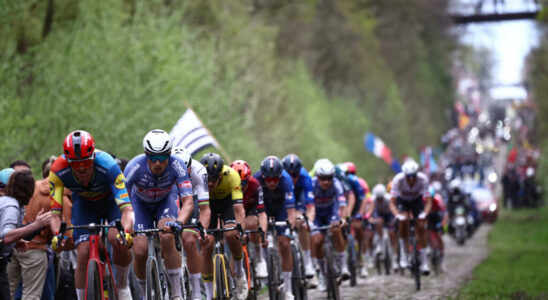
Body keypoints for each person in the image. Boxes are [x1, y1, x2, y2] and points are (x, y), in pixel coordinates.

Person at [49, 130, 134, 300]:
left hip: (111, 201)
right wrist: (58, 235)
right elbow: (55, 215)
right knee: (83, 252)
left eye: (86, 163)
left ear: (93, 158)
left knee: (116, 238)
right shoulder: (57, 170)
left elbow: (127, 210)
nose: (81, 167)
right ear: (68, 162)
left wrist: (125, 231)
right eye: (75, 163)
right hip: (85, 205)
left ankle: (123, 286)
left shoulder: (108, 165)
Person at [124, 130, 194, 300]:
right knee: (140, 251)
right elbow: (122, 202)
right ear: (145, 154)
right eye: (152, 157)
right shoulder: (134, 166)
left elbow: (188, 201)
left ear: (169, 155)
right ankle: (145, 293)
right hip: (140, 204)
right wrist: (126, 225)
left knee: (167, 236)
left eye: (162, 158)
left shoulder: (177, 165)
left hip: (165, 201)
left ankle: (176, 293)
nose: (157, 162)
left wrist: (179, 222)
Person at [7, 157, 74, 300]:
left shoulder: (33, 187)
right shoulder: (62, 199)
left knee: (9, 292)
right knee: (32, 295)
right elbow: (66, 235)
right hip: (37, 250)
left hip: (13, 246)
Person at [200, 153, 248, 300]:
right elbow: (202, 209)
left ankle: (239, 273)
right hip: (208, 205)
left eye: (214, 179)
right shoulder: (198, 177)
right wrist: (202, 231)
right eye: (208, 179)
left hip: (227, 203)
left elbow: (239, 209)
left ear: (221, 174)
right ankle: (209, 294)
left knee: (231, 234)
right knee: (207, 243)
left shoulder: (232, 175)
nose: (210, 184)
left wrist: (241, 230)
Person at [1, 170, 52, 300]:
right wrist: (36, 225)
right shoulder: (11, 206)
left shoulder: (6, 202)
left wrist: (15, 241)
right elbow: (6, 236)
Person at [253, 156, 297, 300]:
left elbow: (291, 212)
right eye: (268, 179)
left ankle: (289, 288)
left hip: (281, 208)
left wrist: (290, 229)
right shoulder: (256, 180)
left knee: (284, 243)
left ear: (280, 177)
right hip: (263, 207)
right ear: (263, 176)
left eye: (275, 179)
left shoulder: (286, 180)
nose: (271, 182)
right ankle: (261, 261)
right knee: (259, 232)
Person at [172, 146, 211, 300]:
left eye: (185, 171)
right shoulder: (163, 170)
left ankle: (196, 292)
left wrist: (203, 231)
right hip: (171, 196)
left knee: (189, 240)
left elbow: (205, 208)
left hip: (192, 198)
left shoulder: (199, 171)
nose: (182, 175)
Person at [309, 159, 349, 292]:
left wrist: (343, 218)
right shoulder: (311, 184)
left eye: (329, 178)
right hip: (316, 214)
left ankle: (343, 266)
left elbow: (342, 204)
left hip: (331, 211)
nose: (326, 182)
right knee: (317, 240)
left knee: (336, 229)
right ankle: (322, 273)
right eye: (323, 178)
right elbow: (306, 206)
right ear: (317, 177)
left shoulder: (337, 184)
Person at [389, 159, 432, 275]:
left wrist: (425, 213)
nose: (412, 179)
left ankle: (424, 263)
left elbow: (428, 201)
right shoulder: (398, 180)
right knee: (403, 221)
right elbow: (392, 202)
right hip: (402, 201)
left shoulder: (423, 179)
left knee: (421, 226)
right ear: (405, 175)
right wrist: (397, 215)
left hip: (417, 201)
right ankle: (403, 254)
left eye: (414, 176)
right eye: (409, 176)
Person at [281, 154, 317, 285]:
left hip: (299, 198)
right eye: (289, 175)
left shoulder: (305, 177)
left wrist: (310, 221)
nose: (292, 178)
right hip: (284, 198)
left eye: (295, 175)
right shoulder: (280, 178)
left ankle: (308, 263)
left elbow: (310, 206)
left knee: (302, 222)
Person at [230, 160, 268, 279]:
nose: (241, 186)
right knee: (235, 243)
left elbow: (262, 214)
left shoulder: (255, 185)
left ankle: (259, 257)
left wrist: (263, 236)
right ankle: (233, 282)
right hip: (234, 211)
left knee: (252, 224)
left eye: (244, 182)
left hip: (250, 210)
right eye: (237, 183)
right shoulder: (228, 186)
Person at [364, 184, 398, 270]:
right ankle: (379, 243)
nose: (379, 200)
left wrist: (396, 216)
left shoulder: (388, 198)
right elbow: (371, 209)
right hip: (378, 214)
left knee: (392, 232)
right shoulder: (373, 199)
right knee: (378, 222)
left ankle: (394, 257)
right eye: (378, 198)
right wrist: (367, 216)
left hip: (388, 214)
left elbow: (392, 208)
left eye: (381, 198)